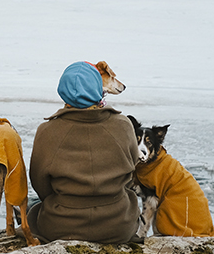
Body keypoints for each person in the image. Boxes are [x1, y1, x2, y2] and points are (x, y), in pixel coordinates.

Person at [26, 61, 140, 243]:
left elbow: (40, 184)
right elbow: (132, 172)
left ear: (62, 90)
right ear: (97, 88)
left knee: (32, 208)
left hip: (62, 226)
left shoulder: (46, 131)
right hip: (118, 224)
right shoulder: (124, 125)